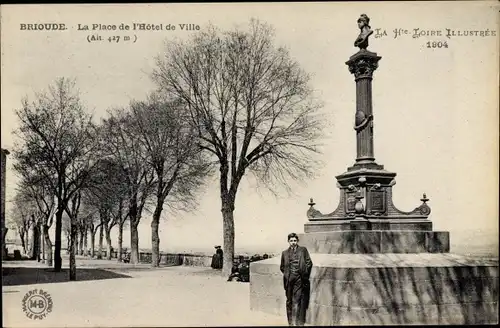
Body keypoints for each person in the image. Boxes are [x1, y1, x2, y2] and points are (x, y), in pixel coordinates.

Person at [280, 233, 313, 326]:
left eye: (294, 240)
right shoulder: (284, 253)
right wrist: (288, 275)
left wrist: (304, 274)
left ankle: (298, 323)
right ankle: (290, 323)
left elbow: (309, 263)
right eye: (291, 241)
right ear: (288, 241)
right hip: (288, 281)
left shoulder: (303, 250)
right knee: (289, 301)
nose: (293, 243)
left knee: (297, 301)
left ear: (297, 241)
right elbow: (282, 267)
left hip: (299, 279)